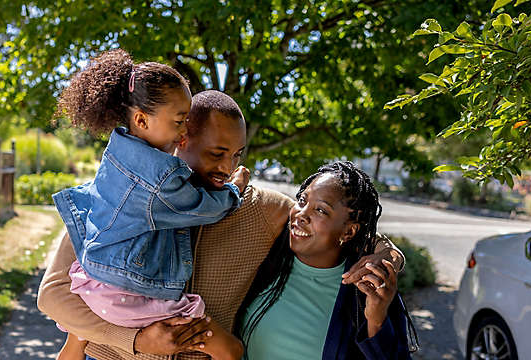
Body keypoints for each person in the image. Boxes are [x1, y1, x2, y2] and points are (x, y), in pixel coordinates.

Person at [38, 90, 406, 360]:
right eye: (217, 154)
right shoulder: (115, 197)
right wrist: (135, 339)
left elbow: (337, 223)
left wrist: (388, 255)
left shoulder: (260, 209)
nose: (228, 169)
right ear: (181, 140)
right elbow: (53, 296)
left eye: (237, 155)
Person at [50, 50, 250, 360]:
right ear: (142, 119)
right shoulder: (160, 181)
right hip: (126, 296)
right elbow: (202, 206)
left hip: (96, 287)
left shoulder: (117, 155)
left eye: (237, 156)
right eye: (180, 123)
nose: (183, 133)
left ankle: (76, 338)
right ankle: (79, 337)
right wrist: (234, 190)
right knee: (231, 350)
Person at [237, 161, 412, 359]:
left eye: (320, 210)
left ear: (349, 231)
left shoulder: (366, 290)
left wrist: (376, 321)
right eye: (302, 201)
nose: (301, 214)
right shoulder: (270, 250)